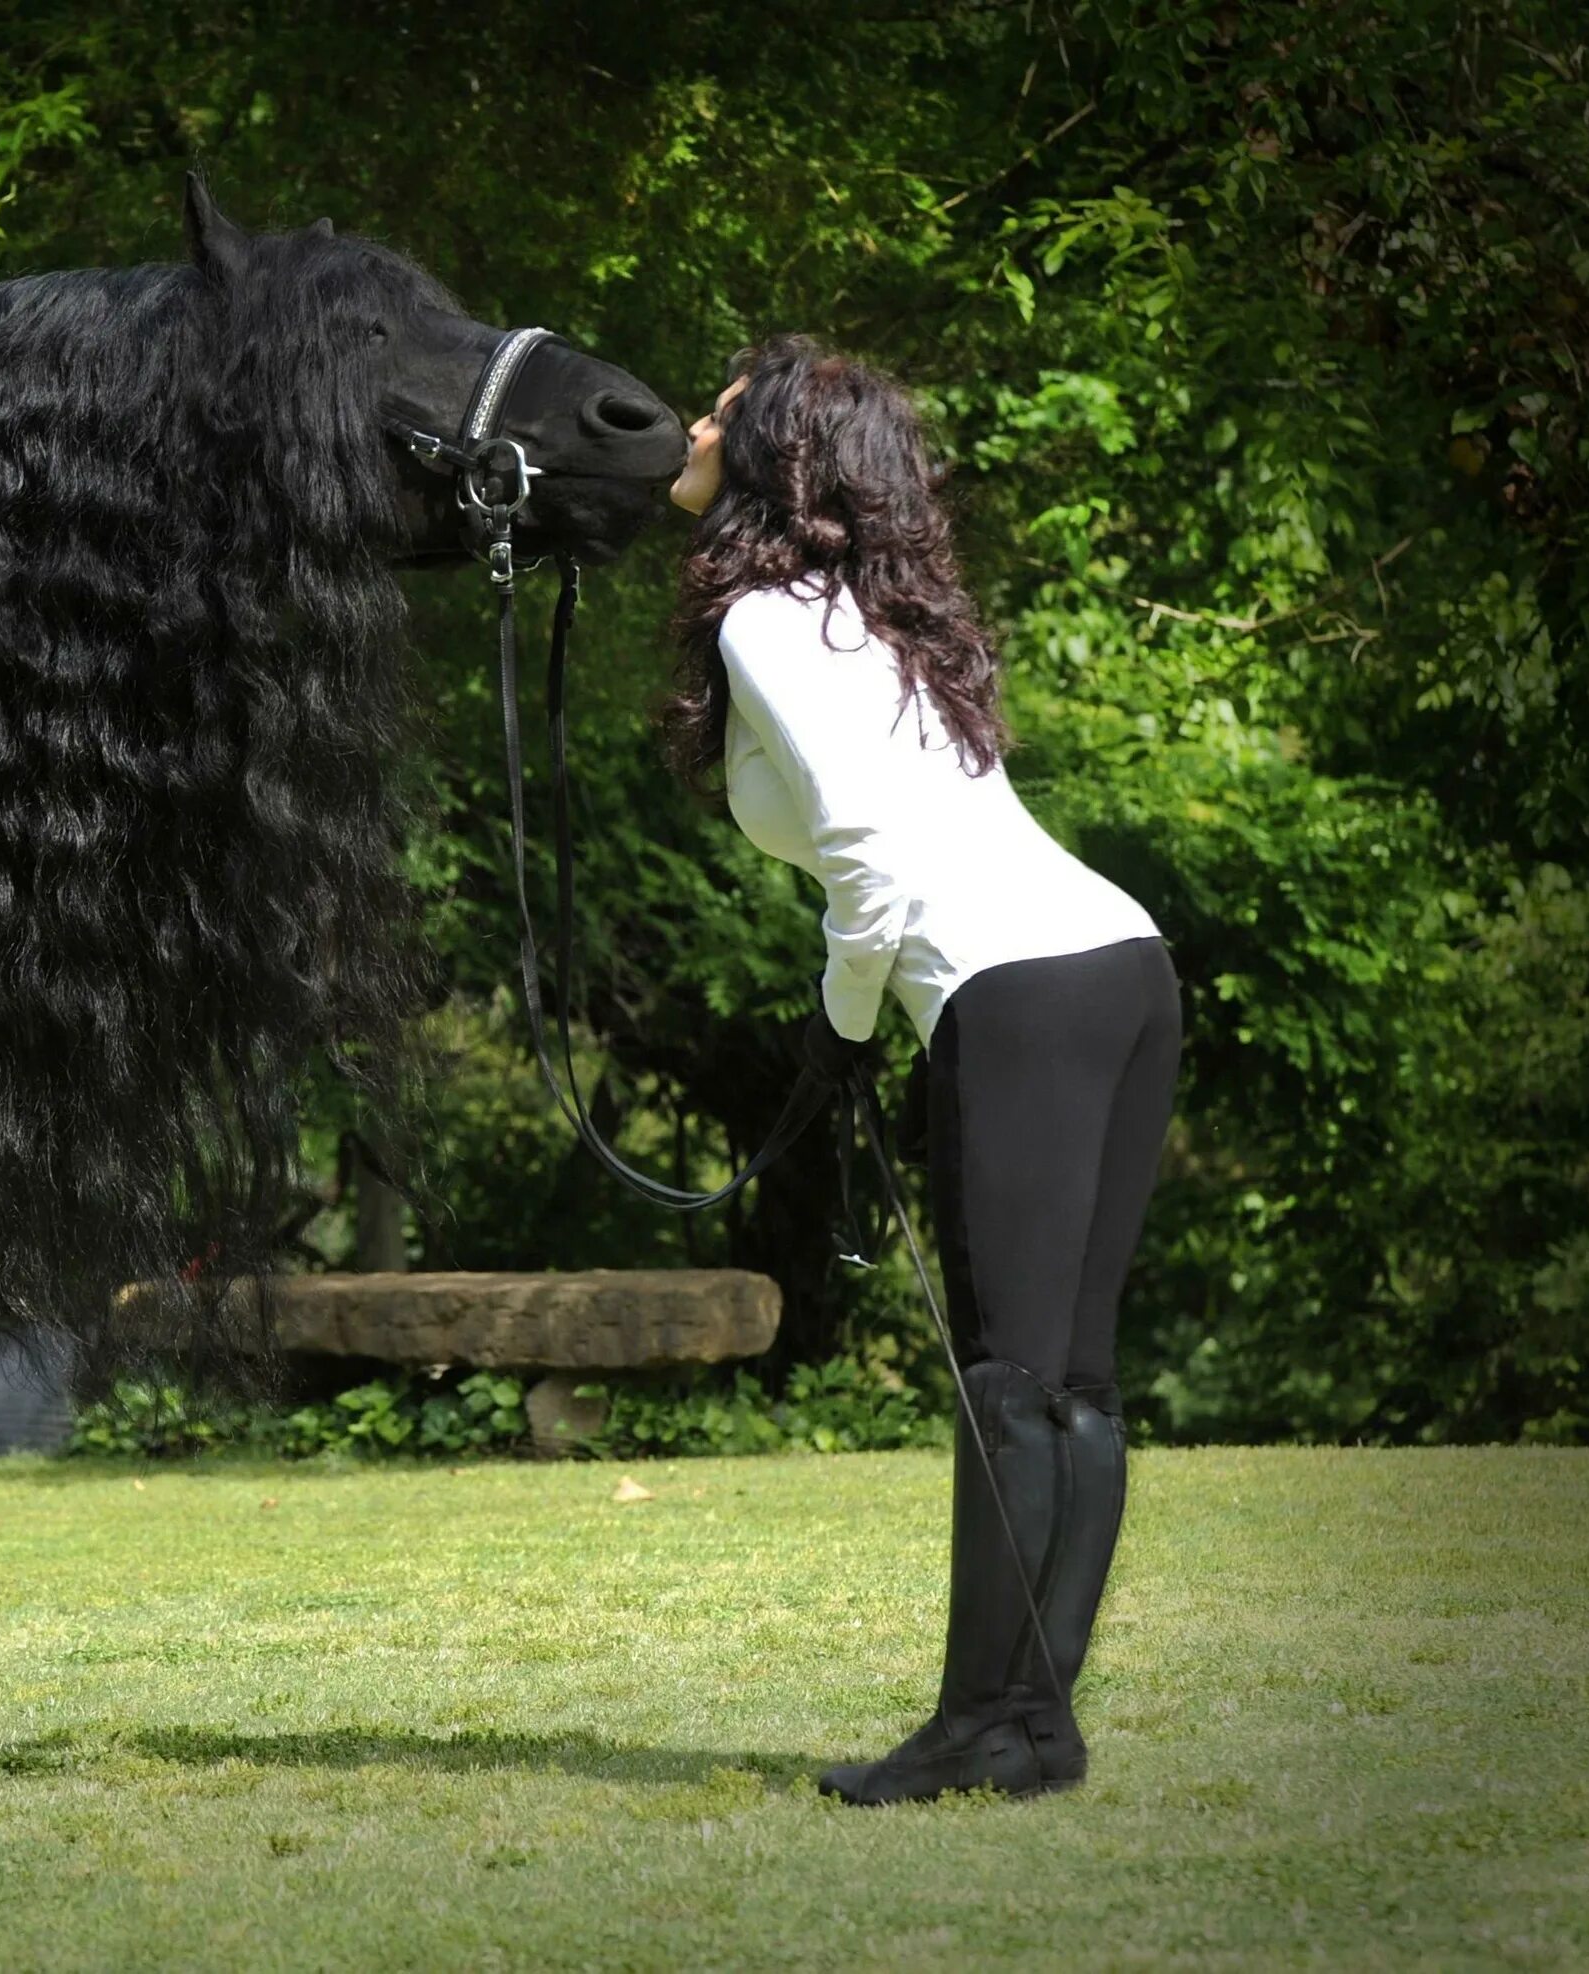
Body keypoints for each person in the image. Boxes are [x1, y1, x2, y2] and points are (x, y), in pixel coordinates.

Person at [662, 334, 1183, 1804]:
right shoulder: (884, 613)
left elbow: (868, 855)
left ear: (770, 451)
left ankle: (977, 1726)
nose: (692, 422)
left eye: (720, 409)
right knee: (1073, 1378)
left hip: (1016, 992)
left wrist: (840, 1026)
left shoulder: (768, 617)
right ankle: (1034, 1727)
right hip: (1124, 966)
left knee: (1009, 1375)